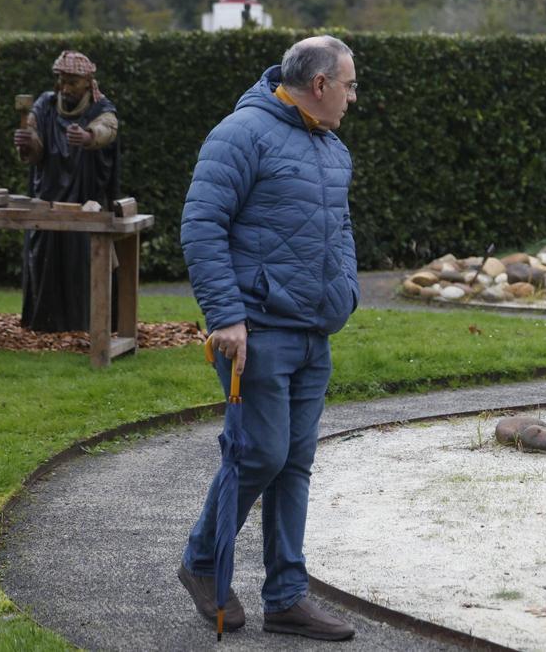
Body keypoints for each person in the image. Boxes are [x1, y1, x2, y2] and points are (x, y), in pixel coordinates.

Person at [178, 35, 360, 641]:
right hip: (255, 332)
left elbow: (342, 231)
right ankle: (203, 562)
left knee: (295, 464)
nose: (353, 97)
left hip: (313, 335)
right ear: (319, 85)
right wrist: (226, 316)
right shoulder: (240, 134)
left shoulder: (333, 150)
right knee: (259, 453)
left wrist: (346, 294)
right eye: (350, 84)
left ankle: (286, 598)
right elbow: (201, 225)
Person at [14, 50, 119, 332]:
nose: (65, 87)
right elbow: (35, 146)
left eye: (72, 81)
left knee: (82, 262)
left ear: (87, 82)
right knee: (43, 260)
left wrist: (88, 137)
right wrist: (26, 142)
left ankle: (86, 325)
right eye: (62, 80)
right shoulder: (44, 105)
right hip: (47, 199)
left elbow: (108, 129)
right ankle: (44, 326)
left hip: (86, 200)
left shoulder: (101, 108)